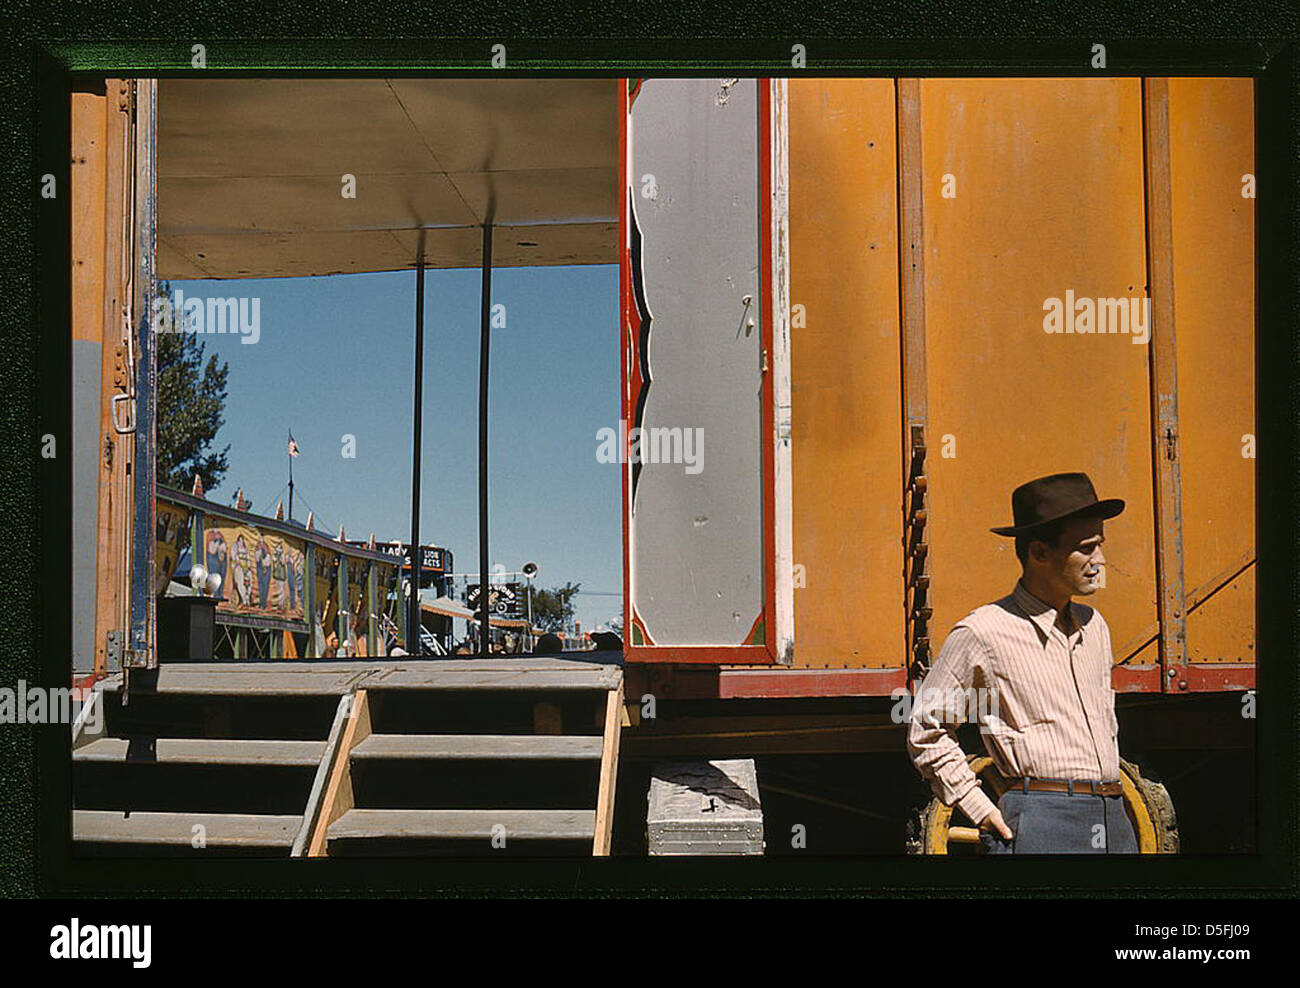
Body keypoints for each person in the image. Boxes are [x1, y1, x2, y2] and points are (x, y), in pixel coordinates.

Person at [907, 472, 1137, 854]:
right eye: (1086, 548)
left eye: (1101, 546)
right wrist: (978, 806)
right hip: (1040, 821)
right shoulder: (983, 632)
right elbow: (926, 729)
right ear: (1039, 554)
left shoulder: (1096, 628)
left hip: (1115, 818)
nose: (1101, 561)